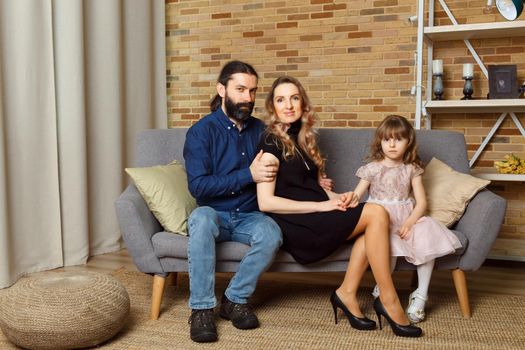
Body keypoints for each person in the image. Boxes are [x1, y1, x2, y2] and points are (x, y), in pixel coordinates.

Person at [256, 76, 422, 337]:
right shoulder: (270, 143)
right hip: (298, 226)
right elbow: (266, 202)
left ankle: (346, 293)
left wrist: (339, 197)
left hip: (316, 214)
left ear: (303, 103)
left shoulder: (304, 140)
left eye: (294, 98)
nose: (288, 105)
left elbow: (310, 187)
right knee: (377, 212)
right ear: (273, 108)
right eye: (280, 100)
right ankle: (389, 301)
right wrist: (322, 207)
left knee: (374, 219)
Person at [183, 61, 283, 343]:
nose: (248, 98)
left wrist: (318, 178)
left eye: (252, 91)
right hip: (213, 213)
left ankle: (234, 299)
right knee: (200, 219)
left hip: (249, 215)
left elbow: (282, 164)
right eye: (240, 90)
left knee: (271, 233)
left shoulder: (260, 130)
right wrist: (247, 175)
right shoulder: (201, 132)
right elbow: (198, 185)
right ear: (221, 89)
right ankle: (202, 309)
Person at [350, 115, 462, 323]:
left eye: (398, 139)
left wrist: (410, 223)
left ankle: (421, 295)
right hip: (381, 222)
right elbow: (357, 195)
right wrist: (346, 199)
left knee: (427, 240)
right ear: (379, 142)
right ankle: (384, 288)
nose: (392, 144)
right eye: (386, 139)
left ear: (408, 141)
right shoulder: (372, 168)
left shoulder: (412, 169)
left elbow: (421, 203)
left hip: (408, 219)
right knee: (386, 246)